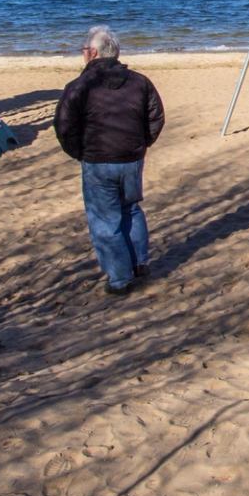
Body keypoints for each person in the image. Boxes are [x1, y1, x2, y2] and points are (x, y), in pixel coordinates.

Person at [54, 24, 164, 296]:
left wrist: (81, 151)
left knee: (107, 219)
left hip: (103, 160)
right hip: (125, 158)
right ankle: (138, 262)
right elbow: (155, 118)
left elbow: (64, 125)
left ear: (92, 53)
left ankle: (120, 277)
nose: (82, 54)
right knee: (129, 210)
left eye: (84, 50)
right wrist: (139, 145)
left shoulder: (81, 85)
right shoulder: (139, 82)